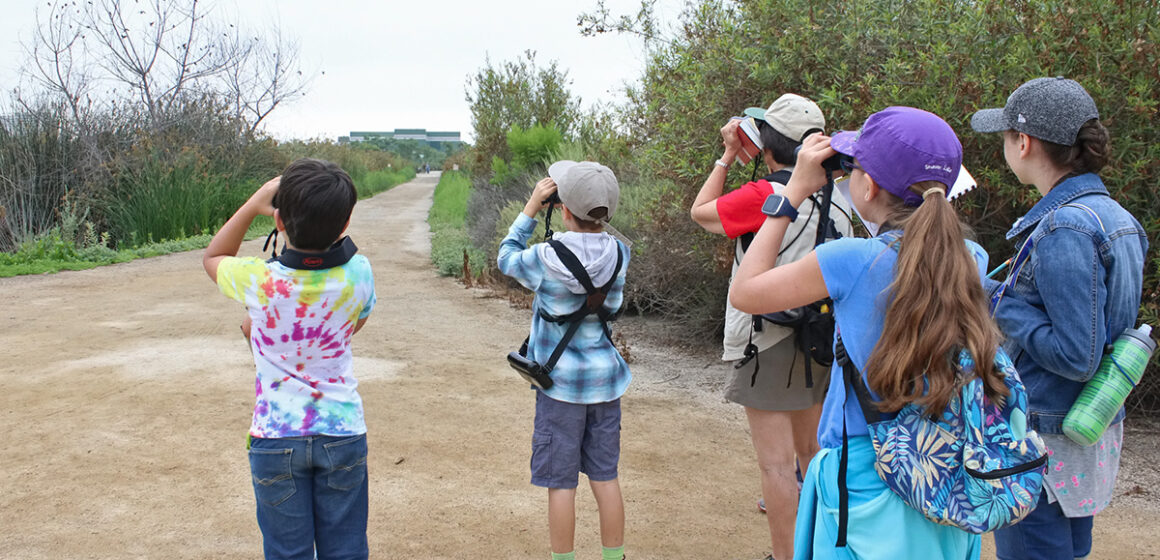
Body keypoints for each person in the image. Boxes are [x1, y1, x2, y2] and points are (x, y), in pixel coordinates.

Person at [731, 106, 1000, 559]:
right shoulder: (971, 258)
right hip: (948, 473)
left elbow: (745, 292)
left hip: (864, 475)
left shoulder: (851, 260)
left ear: (868, 186)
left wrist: (793, 191)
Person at [971, 77, 1148, 560]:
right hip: (1083, 430)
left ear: (1023, 143)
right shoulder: (1115, 217)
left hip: (1044, 443)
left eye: (1005, 137)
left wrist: (997, 300)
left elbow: (1076, 355)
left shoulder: (1064, 226)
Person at [689, 93, 852, 560]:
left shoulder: (766, 195)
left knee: (777, 468)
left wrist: (725, 157)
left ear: (769, 147)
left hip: (768, 340)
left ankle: (786, 555)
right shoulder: (838, 199)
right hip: (821, 338)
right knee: (813, 457)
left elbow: (702, 212)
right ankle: (819, 550)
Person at [202, 158, 377, 560]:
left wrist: (252, 204)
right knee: (347, 549)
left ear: (279, 221)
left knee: (286, 552)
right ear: (345, 223)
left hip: (275, 437)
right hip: (342, 431)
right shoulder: (359, 273)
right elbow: (355, 323)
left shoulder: (259, 280)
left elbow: (214, 256)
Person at [498, 161, 631, 560]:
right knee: (606, 478)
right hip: (606, 383)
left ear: (563, 209)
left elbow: (506, 257)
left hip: (560, 388)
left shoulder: (544, 257)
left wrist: (531, 209)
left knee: (562, 484)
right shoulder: (620, 253)